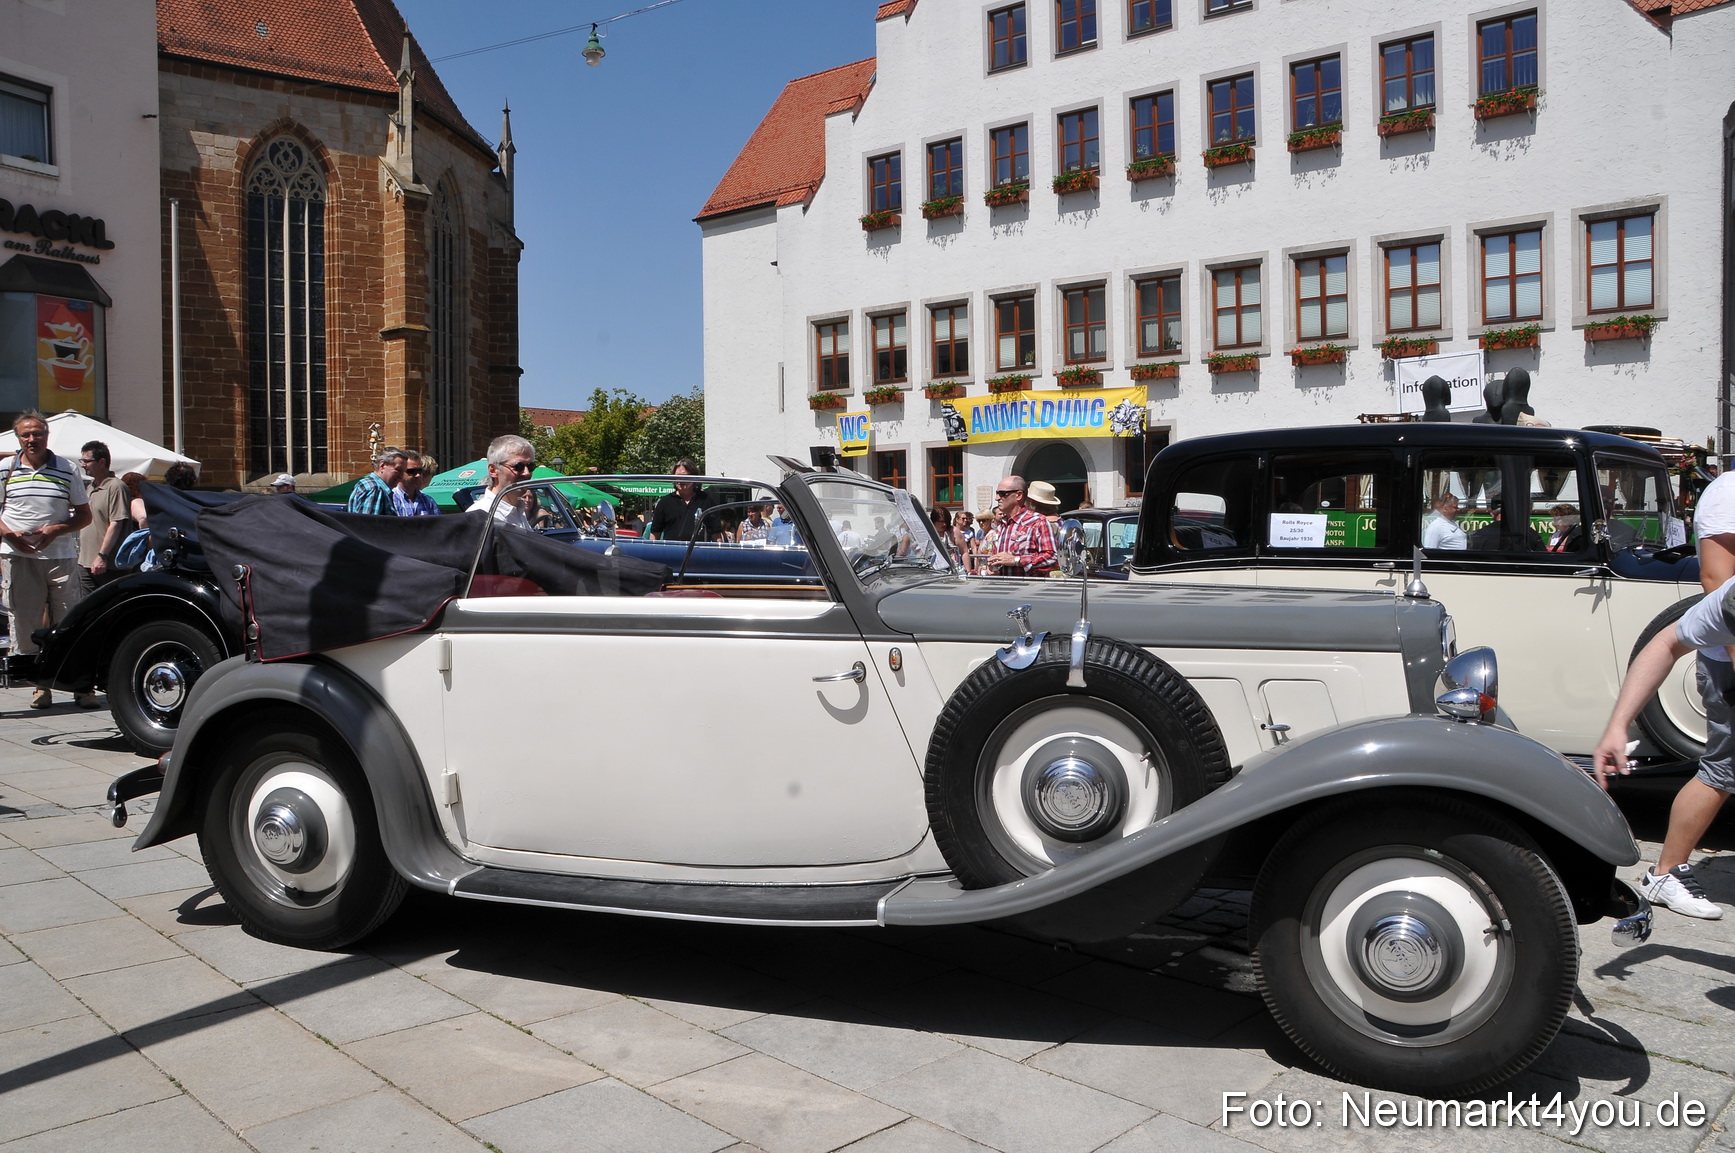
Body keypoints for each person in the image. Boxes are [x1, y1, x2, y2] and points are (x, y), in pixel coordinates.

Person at [1594, 466, 1735, 920]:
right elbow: (1667, 640)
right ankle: (1666, 872)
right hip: (1724, 658)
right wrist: (1617, 725)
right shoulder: (1729, 598)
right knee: (1722, 770)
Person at [0, 412, 92, 708]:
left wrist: (55, 530)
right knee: (25, 622)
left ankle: (81, 686)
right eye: (25, 435)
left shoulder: (66, 468)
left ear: (46, 436)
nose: (31, 439)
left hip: (61, 556)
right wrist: (10, 536)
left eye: (37, 433)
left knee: (68, 622)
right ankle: (39, 685)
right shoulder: (6, 468)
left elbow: (84, 515)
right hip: (17, 556)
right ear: (18, 438)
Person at [77, 440, 131, 592]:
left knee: (111, 607)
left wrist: (102, 556)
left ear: (102, 462)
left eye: (87, 461)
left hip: (109, 565)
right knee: (87, 609)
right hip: (85, 562)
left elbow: (116, 523)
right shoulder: (91, 488)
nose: (83, 465)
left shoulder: (116, 487)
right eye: (82, 461)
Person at [988, 476, 1056, 576]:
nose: (997, 498)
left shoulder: (1037, 522)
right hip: (1003, 587)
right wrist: (992, 567)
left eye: (1002, 493)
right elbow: (998, 559)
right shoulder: (1001, 527)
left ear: (1018, 495)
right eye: (997, 493)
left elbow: (1052, 557)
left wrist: (1017, 560)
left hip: (1029, 588)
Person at [466, 434, 535, 529]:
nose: (526, 473)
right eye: (518, 467)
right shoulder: (481, 515)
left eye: (531, 466)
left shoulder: (519, 509)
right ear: (493, 471)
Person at [647, 459, 711, 541]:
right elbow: (655, 534)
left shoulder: (706, 500)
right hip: (671, 551)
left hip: (699, 551)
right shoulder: (664, 502)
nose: (680, 480)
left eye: (684, 476)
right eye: (677, 476)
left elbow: (716, 532)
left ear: (694, 477)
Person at [347, 445, 405, 515]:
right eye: (398, 470)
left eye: (403, 472)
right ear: (382, 465)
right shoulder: (375, 489)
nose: (401, 476)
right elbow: (369, 524)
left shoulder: (367, 484)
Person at [391, 451, 439, 517]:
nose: (418, 475)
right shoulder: (391, 500)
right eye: (412, 471)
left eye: (420, 471)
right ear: (400, 472)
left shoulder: (428, 501)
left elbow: (438, 526)